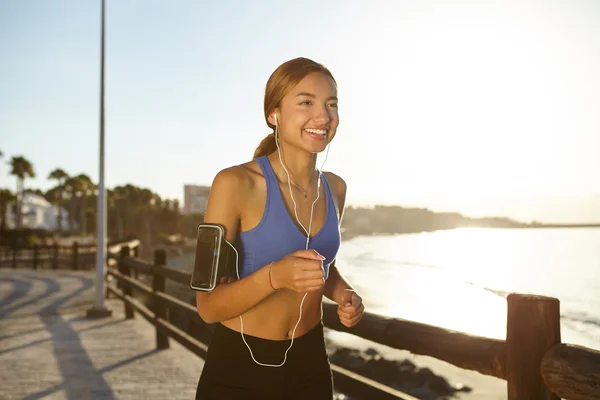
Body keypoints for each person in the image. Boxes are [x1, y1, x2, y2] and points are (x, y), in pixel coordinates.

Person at [194, 57, 365, 400]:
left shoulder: (335, 189)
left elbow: (320, 265)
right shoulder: (235, 183)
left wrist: (343, 293)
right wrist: (275, 276)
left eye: (331, 104)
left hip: (311, 366)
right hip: (239, 369)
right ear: (274, 114)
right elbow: (207, 305)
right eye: (306, 102)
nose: (323, 116)